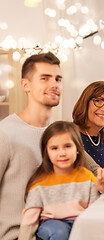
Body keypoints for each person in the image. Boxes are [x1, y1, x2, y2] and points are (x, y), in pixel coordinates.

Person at [0, 52, 62, 240]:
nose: (54, 84)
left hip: (57, 229)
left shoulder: (59, 131)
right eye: (45, 78)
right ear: (25, 85)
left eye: (58, 79)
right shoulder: (5, 133)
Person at [19, 121, 104, 240]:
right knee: (60, 232)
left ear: (77, 149)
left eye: (67, 146)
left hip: (80, 222)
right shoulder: (39, 183)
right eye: (54, 148)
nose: (62, 153)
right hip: (52, 223)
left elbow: (94, 209)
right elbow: (29, 218)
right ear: (47, 152)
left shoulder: (86, 177)